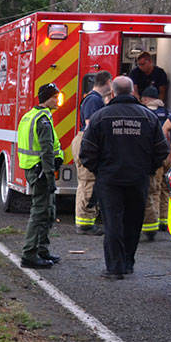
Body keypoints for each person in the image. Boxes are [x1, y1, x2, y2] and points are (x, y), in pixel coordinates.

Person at [79, 76, 169, 279]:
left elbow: (87, 152)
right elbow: (162, 150)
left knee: (113, 223)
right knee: (133, 222)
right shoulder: (148, 117)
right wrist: (148, 168)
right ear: (132, 93)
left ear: (112, 93)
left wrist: (100, 170)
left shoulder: (100, 117)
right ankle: (128, 263)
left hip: (110, 180)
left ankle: (114, 268)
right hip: (138, 179)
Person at [18, 82, 64, 269]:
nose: (57, 100)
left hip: (35, 169)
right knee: (39, 212)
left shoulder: (31, 115)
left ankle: (42, 251)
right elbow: (45, 151)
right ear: (48, 98)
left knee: (48, 211)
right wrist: (50, 177)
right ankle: (29, 254)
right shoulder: (42, 120)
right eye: (55, 97)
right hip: (41, 172)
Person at [72, 70, 111, 235]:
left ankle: (87, 221)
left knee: (90, 182)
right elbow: (91, 125)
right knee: (88, 181)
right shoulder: (93, 100)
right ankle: (85, 224)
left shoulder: (95, 100)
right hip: (88, 142)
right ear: (107, 82)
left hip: (88, 142)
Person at [139, 86, 169, 241]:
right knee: (166, 188)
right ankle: (165, 220)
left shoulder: (145, 114)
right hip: (168, 154)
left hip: (154, 155)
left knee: (154, 189)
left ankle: (154, 222)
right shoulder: (167, 112)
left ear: (145, 99)